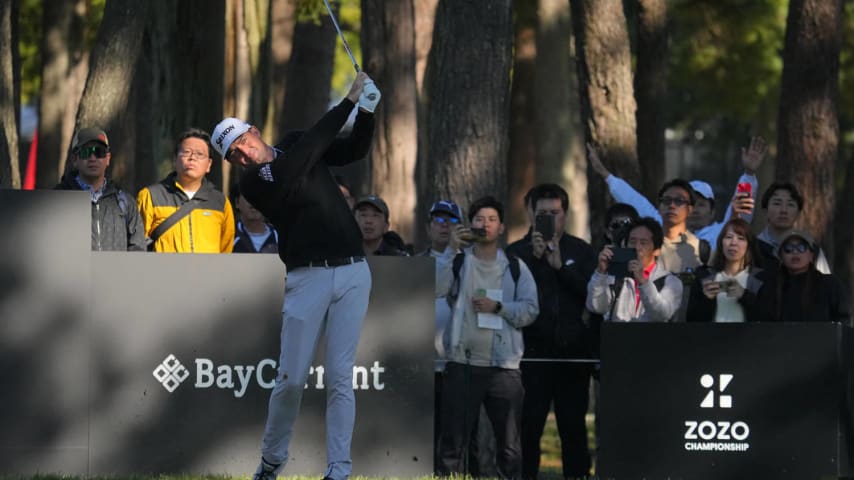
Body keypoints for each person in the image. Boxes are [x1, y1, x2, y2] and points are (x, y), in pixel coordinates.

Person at [211, 71, 380, 480]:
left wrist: (368, 110)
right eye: (234, 155)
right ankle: (272, 461)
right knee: (290, 380)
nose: (244, 155)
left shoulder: (293, 142)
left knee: (341, 377)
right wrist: (345, 104)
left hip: (354, 271)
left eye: (243, 144)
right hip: (308, 279)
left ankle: (339, 469)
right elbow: (296, 166)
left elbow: (351, 149)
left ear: (254, 131)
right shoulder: (256, 182)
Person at [436, 196, 539, 479]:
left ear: (502, 227)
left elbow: (531, 309)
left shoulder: (515, 266)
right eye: (479, 219)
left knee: (510, 447)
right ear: (470, 225)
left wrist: (500, 308)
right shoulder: (458, 263)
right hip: (462, 363)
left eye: (492, 219)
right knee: (453, 443)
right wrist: (449, 251)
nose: (485, 225)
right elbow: (434, 288)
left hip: (504, 368)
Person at [505, 184, 597, 480]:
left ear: (566, 214)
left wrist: (560, 267)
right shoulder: (515, 253)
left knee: (573, 428)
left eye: (555, 213)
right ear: (529, 213)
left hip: (572, 355)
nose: (549, 219)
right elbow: (510, 300)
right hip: (530, 356)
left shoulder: (582, 251)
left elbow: (592, 297)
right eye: (542, 213)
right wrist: (534, 258)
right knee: (528, 428)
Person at [587, 136, 766, 246]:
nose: (695, 210)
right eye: (690, 203)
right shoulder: (663, 227)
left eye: (702, 205)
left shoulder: (722, 232)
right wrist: (606, 175)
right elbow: (636, 201)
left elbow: (741, 211)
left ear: (713, 212)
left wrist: (749, 174)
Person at [137, 128, 235, 253]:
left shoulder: (220, 202)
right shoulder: (150, 196)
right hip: (164, 271)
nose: (192, 158)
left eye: (199, 154)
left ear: (209, 164)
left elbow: (226, 249)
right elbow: (138, 245)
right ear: (174, 160)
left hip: (208, 272)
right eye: (186, 152)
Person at [55, 126, 146, 251]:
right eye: (86, 152)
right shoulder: (57, 200)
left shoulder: (125, 202)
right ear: (74, 159)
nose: (93, 158)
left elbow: (138, 250)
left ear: (108, 159)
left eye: (99, 152)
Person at [586, 217, 683, 322]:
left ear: (657, 251)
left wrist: (643, 282)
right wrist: (600, 273)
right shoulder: (616, 276)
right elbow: (596, 307)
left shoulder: (670, 282)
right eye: (632, 242)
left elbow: (661, 314)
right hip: (617, 336)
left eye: (643, 243)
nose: (637, 247)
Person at [756, 230, 850, 324]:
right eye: (788, 248)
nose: (795, 252)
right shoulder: (768, 284)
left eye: (801, 247)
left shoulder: (830, 284)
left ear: (811, 255)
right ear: (780, 256)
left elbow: (843, 319)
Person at [686, 218, 765, 322]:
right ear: (721, 243)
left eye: (741, 238)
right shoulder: (704, 276)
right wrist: (706, 299)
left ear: (749, 245)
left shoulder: (760, 278)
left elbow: (767, 316)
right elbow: (691, 319)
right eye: (729, 237)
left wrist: (744, 295)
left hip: (747, 337)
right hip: (712, 337)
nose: (733, 243)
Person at [756, 182, 831, 274]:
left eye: (790, 204)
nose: (784, 210)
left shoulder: (812, 250)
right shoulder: (752, 249)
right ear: (765, 211)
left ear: (798, 214)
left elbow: (826, 284)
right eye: (777, 203)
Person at [232, 186, 278, 253]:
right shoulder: (228, 234)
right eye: (248, 195)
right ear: (237, 203)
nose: (254, 200)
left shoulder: (281, 237)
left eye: (259, 195)